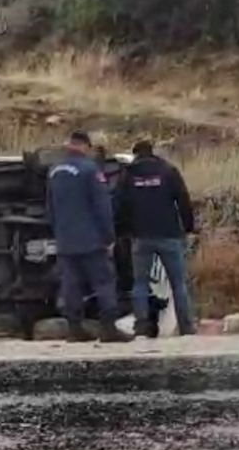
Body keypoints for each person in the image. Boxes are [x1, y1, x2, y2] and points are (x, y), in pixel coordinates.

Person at [46, 131, 132, 343]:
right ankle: (108, 328)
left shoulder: (54, 171)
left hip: (65, 241)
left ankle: (75, 329)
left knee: (71, 285)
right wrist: (109, 237)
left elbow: (50, 208)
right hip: (91, 240)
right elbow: (102, 207)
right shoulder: (90, 170)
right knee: (104, 282)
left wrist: (58, 233)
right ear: (85, 146)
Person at [116, 140, 198, 337]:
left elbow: (120, 205)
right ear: (152, 152)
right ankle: (186, 326)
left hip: (141, 237)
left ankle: (141, 325)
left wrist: (124, 231)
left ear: (136, 154)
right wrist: (188, 227)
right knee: (178, 283)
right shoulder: (168, 171)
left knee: (140, 283)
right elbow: (183, 200)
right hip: (169, 234)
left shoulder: (128, 175)